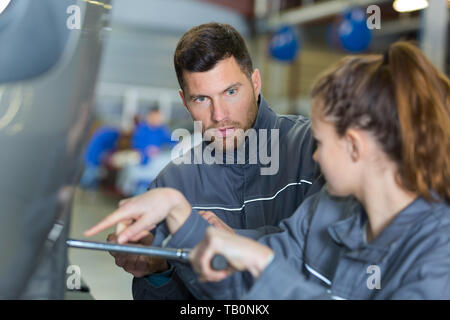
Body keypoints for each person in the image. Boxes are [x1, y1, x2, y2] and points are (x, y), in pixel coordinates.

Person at [86, 41, 450, 299]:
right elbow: (249, 289)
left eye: (322, 143)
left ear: (354, 145)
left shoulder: (438, 251)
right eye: (202, 98)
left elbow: (270, 270)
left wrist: (261, 262)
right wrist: (178, 218)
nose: (317, 157)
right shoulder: (327, 209)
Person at [101, 23, 323, 299]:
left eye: (231, 92)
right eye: (202, 99)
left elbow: (328, 252)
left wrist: (234, 243)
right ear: (185, 101)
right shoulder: (172, 184)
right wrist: (158, 270)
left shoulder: (314, 151)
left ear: (255, 83)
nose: (220, 115)